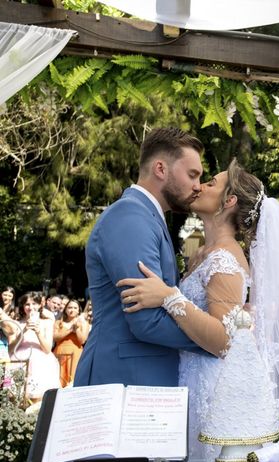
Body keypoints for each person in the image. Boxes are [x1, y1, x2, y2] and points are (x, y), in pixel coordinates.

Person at [117, 160, 279, 462]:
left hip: (214, 393)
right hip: (193, 381)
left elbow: (223, 340)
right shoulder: (206, 252)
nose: (200, 185)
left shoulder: (225, 259)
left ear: (229, 201)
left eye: (211, 182)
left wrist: (168, 297)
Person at [74, 127, 208, 388]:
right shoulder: (130, 217)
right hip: (121, 381)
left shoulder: (149, 217)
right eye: (192, 174)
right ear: (160, 169)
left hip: (141, 378)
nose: (197, 186)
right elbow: (146, 320)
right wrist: (217, 337)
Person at [8, 292, 60, 401]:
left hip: (41, 363)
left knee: (38, 399)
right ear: (23, 306)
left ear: (40, 305)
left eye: (34, 304)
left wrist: (38, 332)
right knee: (15, 397)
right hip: (19, 362)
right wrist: (24, 330)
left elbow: (47, 349)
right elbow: (11, 349)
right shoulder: (16, 323)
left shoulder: (47, 322)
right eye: (27, 304)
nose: (31, 307)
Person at [53, 299, 90, 387]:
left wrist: (76, 329)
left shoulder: (84, 323)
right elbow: (55, 338)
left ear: (78, 311)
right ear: (65, 309)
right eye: (69, 307)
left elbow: (82, 340)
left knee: (73, 382)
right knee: (58, 382)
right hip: (59, 354)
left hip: (75, 355)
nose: (72, 310)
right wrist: (69, 330)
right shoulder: (59, 322)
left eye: (75, 308)